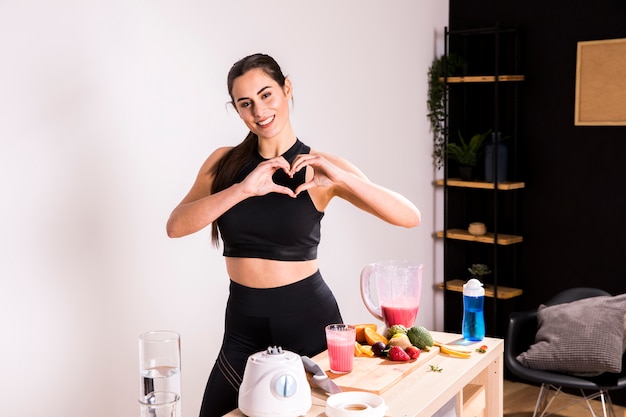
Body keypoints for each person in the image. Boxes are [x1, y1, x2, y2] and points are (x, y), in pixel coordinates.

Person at [166, 53, 421, 417]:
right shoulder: (223, 164)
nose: (259, 110)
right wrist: (242, 189)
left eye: (267, 95)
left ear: (287, 89)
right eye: (245, 103)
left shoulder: (320, 167)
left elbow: (409, 216)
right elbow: (176, 225)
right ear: (237, 110)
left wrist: (342, 178)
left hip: (308, 322)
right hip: (242, 326)